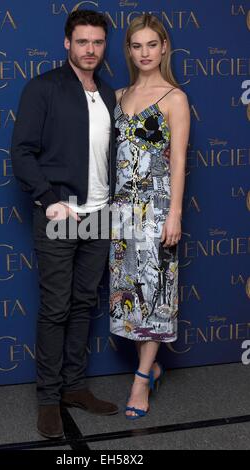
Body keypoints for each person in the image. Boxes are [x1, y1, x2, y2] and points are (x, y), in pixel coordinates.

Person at [11, 10, 118, 439]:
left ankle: (74, 387)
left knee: (82, 303)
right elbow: (21, 152)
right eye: (82, 42)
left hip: (100, 215)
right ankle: (48, 398)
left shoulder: (109, 94)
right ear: (67, 44)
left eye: (97, 43)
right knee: (56, 307)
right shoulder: (44, 88)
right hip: (63, 215)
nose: (90, 50)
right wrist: (49, 200)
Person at [109, 14, 190, 419]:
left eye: (151, 45)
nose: (144, 53)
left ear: (163, 48)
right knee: (132, 297)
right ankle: (152, 367)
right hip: (122, 214)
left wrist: (174, 214)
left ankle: (141, 380)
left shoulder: (174, 97)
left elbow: (178, 162)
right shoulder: (118, 95)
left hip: (158, 211)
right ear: (129, 50)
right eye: (136, 46)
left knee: (156, 295)